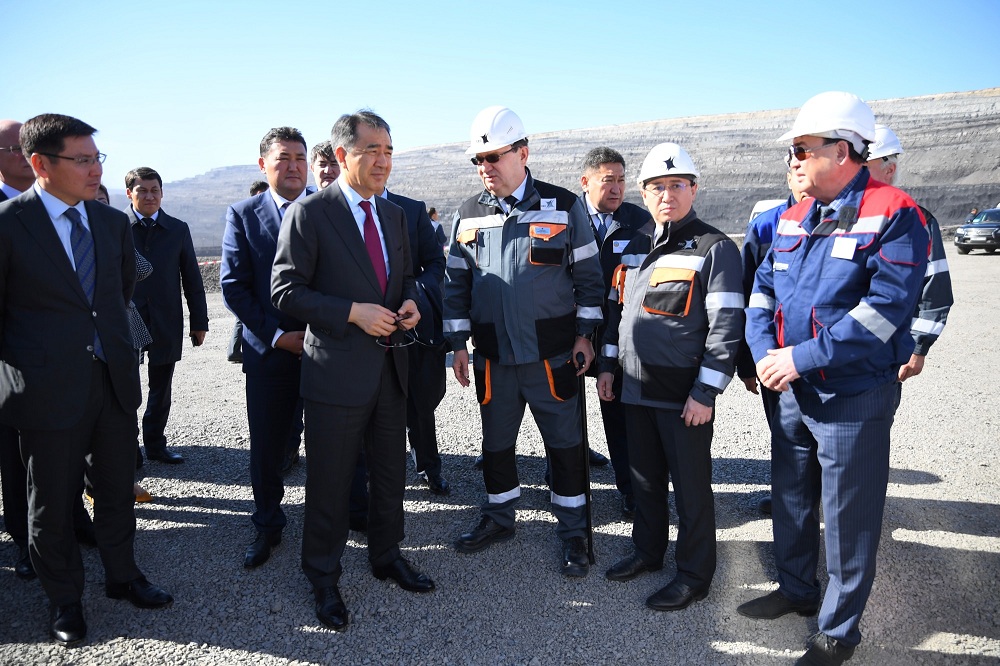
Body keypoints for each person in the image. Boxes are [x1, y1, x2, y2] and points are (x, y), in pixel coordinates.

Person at [739, 92, 929, 665]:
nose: (793, 160)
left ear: (842, 151)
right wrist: (765, 353)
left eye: (803, 149)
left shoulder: (895, 212)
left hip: (852, 395)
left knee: (848, 517)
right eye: (793, 151)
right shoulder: (793, 217)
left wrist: (800, 357)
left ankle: (838, 633)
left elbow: (882, 314)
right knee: (791, 496)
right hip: (792, 389)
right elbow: (762, 292)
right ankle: (797, 589)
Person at [0, 113, 172, 647]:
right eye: (82, 160)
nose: (95, 169)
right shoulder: (8, 224)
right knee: (51, 501)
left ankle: (123, 576)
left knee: (117, 488)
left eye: (98, 158)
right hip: (44, 390)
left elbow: (116, 295)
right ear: (40, 164)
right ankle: (64, 599)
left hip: (112, 379)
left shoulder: (111, 222)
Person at [272, 110, 435, 632]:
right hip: (336, 373)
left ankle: (387, 555)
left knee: (389, 474)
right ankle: (323, 576)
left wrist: (410, 302)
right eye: (372, 152)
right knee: (330, 481)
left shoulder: (394, 215)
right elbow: (285, 290)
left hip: (390, 368)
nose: (383, 162)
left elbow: (404, 278)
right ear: (343, 155)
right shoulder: (311, 213)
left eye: (389, 151)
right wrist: (351, 312)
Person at [444, 106, 604, 578]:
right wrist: (457, 344)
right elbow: (455, 285)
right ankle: (498, 516)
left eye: (493, 156)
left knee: (565, 445)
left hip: (552, 357)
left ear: (522, 153)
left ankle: (574, 531)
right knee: (495, 443)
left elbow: (589, 280)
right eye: (478, 160)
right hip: (494, 358)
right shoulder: (468, 214)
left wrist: (585, 336)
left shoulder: (564, 206)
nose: (485, 167)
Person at [597, 143, 743, 611]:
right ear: (643, 193)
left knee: (691, 490)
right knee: (644, 482)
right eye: (657, 187)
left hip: (683, 398)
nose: (667, 195)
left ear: (693, 189)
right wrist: (607, 367)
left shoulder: (714, 248)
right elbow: (617, 315)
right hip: (634, 389)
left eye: (677, 185)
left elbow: (726, 327)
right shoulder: (635, 247)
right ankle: (647, 551)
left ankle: (695, 575)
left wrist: (706, 392)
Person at [222, 127, 311, 569]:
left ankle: (340, 518)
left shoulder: (329, 210)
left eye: (300, 158)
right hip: (270, 353)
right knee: (267, 446)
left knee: (339, 443)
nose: (294, 166)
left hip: (328, 350)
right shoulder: (243, 215)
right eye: (283, 158)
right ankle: (268, 524)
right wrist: (277, 336)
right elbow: (234, 287)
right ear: (263, 165)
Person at [579, 146, 653, 518]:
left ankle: (631, 488)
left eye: (622, 180)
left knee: (619, 411)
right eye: (608, 180)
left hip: (618, 335)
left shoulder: (641, 223)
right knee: (564, 408)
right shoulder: (565, 218)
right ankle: (564, 476)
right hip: (572, 333)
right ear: (586, 182)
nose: (617, 188)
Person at [736, 168, 808, 516]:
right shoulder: (766, 226)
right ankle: (788, 500)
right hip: (773, 356)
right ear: (788, 178)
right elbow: (746, 294)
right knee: (784, 433)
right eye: (798, 173)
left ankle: (822, 498)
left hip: (827, 356)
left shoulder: (846, 221)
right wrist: (747, 364)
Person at [126, 167, 209, 464]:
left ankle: (156, 444)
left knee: (161, 387)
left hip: (166, 318)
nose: (149, 196)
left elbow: (192, 278)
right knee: (125, 387)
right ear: (129, 194)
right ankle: (128, 449)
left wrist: (199, 322)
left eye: (155, 191)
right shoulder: (115, 227)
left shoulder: (177, 229)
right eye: (142, 191)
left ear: (162, 193)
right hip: (126, 320)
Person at [864, 124, 953, 382]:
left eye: (863, 166)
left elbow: (934, 286)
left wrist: (918, 347)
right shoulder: (835, 215)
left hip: (883, 355)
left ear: (889, 169)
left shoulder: (916, 219)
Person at [382, 186, 448, 495]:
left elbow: (435, 262)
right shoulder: (337, 210)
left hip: (411, 325)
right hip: (362, 328)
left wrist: (415, 294)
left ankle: (429, 467)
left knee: (420, 400)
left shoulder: (411, 209)